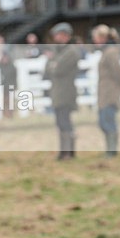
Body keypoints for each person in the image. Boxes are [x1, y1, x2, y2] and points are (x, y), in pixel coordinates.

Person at [44, 22, 80, 160]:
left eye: (58, 35)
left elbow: (57, 69)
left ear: (65, 36)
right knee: (60, 122)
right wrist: (52, 64)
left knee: (65, 122)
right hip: (58, 92)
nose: (55, 38)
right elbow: (48, 69)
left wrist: (53, 65)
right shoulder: (58, 52)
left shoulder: (71, 52)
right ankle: (64, 151)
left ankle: (69, 152)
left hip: (66, 92)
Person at [91, 25, 120, 157]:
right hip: (104, 93)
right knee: (103, 121)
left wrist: (118, 90)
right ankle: (110, 148)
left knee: (108, 120)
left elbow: (118, 72)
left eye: (96, 38)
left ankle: (112, 150)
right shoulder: (106, 51)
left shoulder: (111, 52)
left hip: (110, 93)